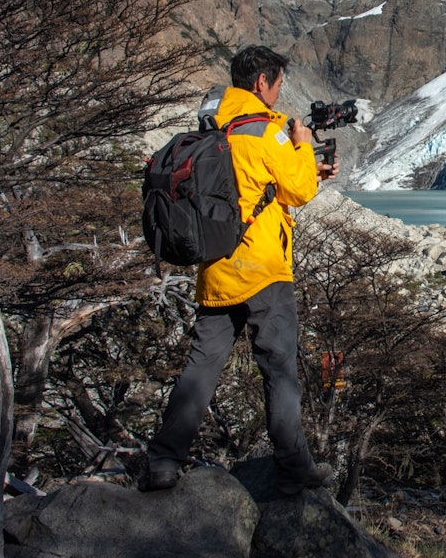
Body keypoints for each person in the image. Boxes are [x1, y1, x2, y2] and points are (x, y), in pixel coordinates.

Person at [141, 45, 336, 494]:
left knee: (201, 366)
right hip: (264, 268)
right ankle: (294, 468)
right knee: (279, 367)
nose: (278, 93)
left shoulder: (215, 129)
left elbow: (258, 189)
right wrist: (305, 150)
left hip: (216, 267)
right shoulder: (268, 132)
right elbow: (299, 189)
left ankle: (163, 462)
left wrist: (307, 168)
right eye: (277, 84)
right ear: (261, 83)